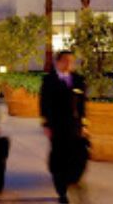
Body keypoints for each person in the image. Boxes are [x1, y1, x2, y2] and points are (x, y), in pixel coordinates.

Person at [40, 51, 89, 204]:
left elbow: (82, 105)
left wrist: (84, 124)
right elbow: (44, 104)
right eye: (65, 61)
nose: (69, 64)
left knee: (79, 154)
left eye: (71, 61)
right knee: (59, 157)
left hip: (74, 125)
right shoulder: (49, 80)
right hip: (57, 125)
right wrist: (46, 124)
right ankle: (61, 190)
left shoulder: (78, 79)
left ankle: (73, 179)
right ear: (58, 62)